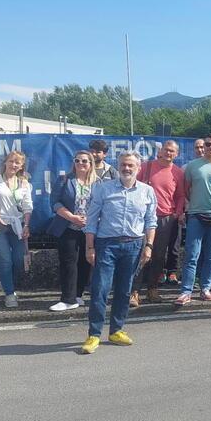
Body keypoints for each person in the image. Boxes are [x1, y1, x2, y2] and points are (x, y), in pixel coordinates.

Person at [79, 151, 158, 354]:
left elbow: (151, 222)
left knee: (124, 290)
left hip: (134, 246)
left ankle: (116, 330)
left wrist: (148, 246)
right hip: (107, 245)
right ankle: (94, 334)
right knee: (100, 290)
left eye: (131, 165)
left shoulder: (147, 192)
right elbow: (91, 221)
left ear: (138, 168)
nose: (127, 168)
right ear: (118, 166)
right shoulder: (102, 189)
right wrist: (90, 247)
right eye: (123, 164)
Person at [176, 134, 211, 305]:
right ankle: (186, 291)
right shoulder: (192, 166)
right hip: (195, 215)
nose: (210, 147)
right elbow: (185, 191)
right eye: (208, 144)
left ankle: (205, 288)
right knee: (192, 255)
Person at [133, 140, 185, 307]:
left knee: (158, 256)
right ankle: (134, 291)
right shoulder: (146, 167)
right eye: (166, 150)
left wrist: (176, 213)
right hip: (143, 219)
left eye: (172, 151)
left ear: (176, 154)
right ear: (160, 151)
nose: (168, 153)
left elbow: (180, 196)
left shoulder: (178, 173)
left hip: (165, 219)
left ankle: (152, 289)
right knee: (140, 255)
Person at [47, 149, 100, 311]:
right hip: (68, 227)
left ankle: (78, 295)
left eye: (84, 161)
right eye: (77, 160)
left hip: (90, 229)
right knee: (69, 263)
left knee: (86, 262)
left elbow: (103, 206)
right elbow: (54, 203)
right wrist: (71, 217)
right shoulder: (64, 180)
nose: (81, 164)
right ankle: (68, 299)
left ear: (91, 164)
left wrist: (92, 220)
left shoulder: (99, 183)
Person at [0, 151, 33, 308]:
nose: (13, 165)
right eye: (11, 161)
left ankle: (4, 283)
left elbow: (28, 206)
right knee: (5, 259)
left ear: (22, 166)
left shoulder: (24, 183)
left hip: (18, 225)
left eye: (17, 163)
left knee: (19, 261)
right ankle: (10, 294)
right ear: (5, 162)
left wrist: (26, 225)